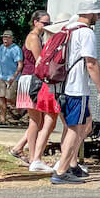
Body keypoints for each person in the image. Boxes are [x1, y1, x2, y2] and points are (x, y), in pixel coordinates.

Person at [52, 1, 100, 185]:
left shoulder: (69, 28)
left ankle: (71, 164)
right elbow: (91, 63)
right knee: (75, 129)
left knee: (84, 125)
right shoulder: (86, 33)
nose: (99, 17)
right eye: (97, 14)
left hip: (62, 86)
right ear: (89, 14)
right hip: (76, 87)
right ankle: (61, 171)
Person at [28, 16, 68, 175]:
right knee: (70, 125)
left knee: (48, 124)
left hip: (46, 86)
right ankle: (65, 160)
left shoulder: (49, 43)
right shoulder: (61, 43)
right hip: (56, 88)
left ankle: (37, 159)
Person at [10, 11, 49, 164]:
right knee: (35, 120)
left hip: (31, 79)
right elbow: (40, 60)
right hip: (31, 79)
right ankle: (33, 156)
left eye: (49, 24)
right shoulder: (33, 37)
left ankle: (20, 148)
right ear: (35, 22)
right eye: (44, 23)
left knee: (37, 120)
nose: (47, 26)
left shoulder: (37, 37)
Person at [0, 30, 22, 124]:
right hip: (2, 76)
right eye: (4, 37)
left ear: (11, 38)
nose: (5, 39)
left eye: (7, 37)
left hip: (12, 77)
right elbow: (1, 61)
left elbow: (20, 64)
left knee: (10, 98)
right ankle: (2, 120)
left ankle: (21, 108)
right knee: (2, 97)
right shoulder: (1, 48)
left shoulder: (16, 49)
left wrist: (14, 76)